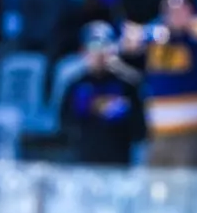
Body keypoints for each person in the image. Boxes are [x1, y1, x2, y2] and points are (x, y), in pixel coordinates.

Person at [130, 0, 197, 168]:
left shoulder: (196, 41)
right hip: (158, 132)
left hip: (190, 133)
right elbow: (132, 40)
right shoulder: (156, 39)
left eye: (181, 9)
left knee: (186, 189)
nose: (175, 14)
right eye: (170, 10)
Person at [59, 22, 147, 166]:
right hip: (84, 163)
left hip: (118, 164)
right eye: (94, 47)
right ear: (83, 51)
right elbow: (64, 124)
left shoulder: (128, 84)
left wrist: (119, 115)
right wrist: (92, 110)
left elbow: (140, 130)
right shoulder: (76, 85)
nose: (99, 54)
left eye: (105, 47)